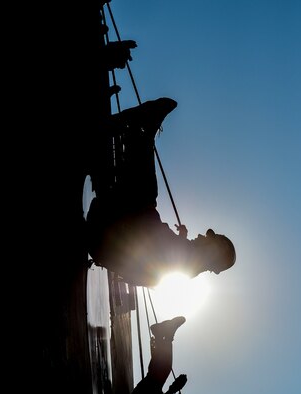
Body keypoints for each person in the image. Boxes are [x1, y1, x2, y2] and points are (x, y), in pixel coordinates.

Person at [86, 97, 236, 287]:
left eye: (209, 240)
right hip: (104, 238)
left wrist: (150, 215)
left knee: (146, 197)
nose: (203, 236)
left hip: (103, 232)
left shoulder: (185, 259)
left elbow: (150, 238)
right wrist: (181, 236)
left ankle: (139, 132)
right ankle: (139, 133)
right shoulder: (187, 263)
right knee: (145, 201)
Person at [129, 316, 216, 394]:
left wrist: (173, 389)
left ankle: (165, 335)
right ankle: (162, 336)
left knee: (163, 370)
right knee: (162, 371)